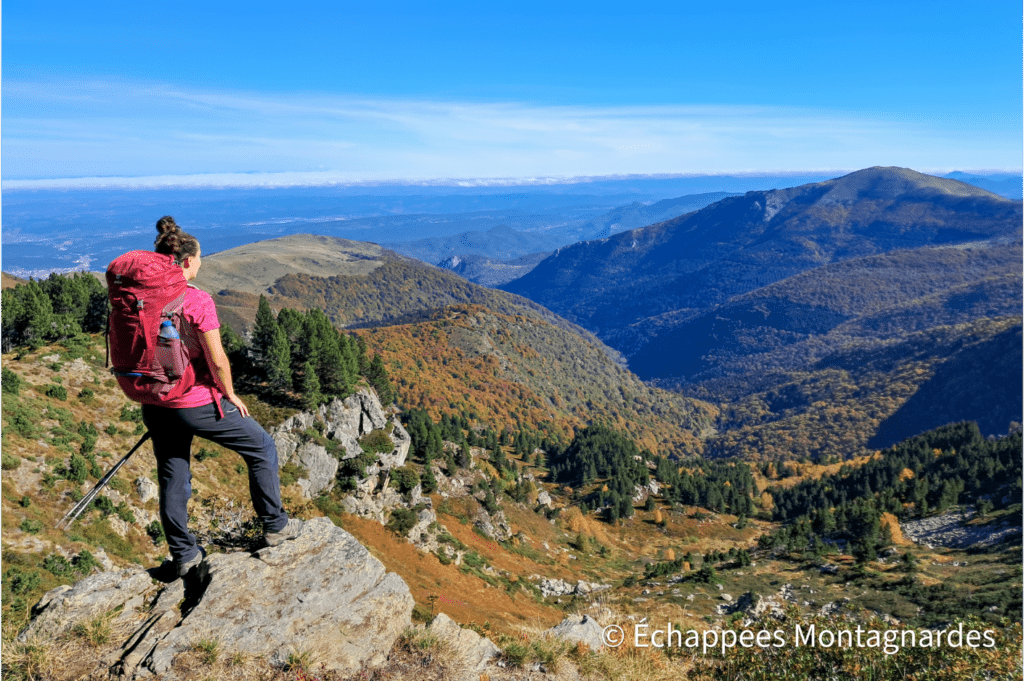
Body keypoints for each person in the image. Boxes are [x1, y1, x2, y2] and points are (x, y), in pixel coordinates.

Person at [142, 216, 301, 577]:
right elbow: (217, 357)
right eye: (199, 258)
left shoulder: (141, 299)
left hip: (154, 401)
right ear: (186, 262)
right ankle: (275, 527)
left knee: (173, 475)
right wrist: (229, 393)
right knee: (261, 447)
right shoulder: (196, 300)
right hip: (193, 400)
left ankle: (184, 556)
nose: (201, 264)